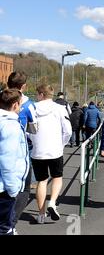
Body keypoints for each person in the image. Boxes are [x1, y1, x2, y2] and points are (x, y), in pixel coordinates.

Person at [30, 85, 72, 224]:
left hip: (38, 152)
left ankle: (41, 215)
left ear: (41, 94)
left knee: (41, 181)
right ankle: (52, 203)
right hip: (55, 150)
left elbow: (28, 130)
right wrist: (62, 144)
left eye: (37, 94)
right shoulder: (60, 109)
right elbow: (68, 131)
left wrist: (35, 141)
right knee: (57, 177)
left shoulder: (32, 108)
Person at [7, 72, 37, 232]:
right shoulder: (27, 103)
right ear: (23, 86)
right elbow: (34, 129)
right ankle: (10, 225)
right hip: (20, 150)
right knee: (23, 189)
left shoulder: (2, 98)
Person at [0, 89, 29, 235]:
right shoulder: (11, 126)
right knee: (5, 228)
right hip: (5, 188)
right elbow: (7, 160)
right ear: (15, 104)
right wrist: (13, 190)